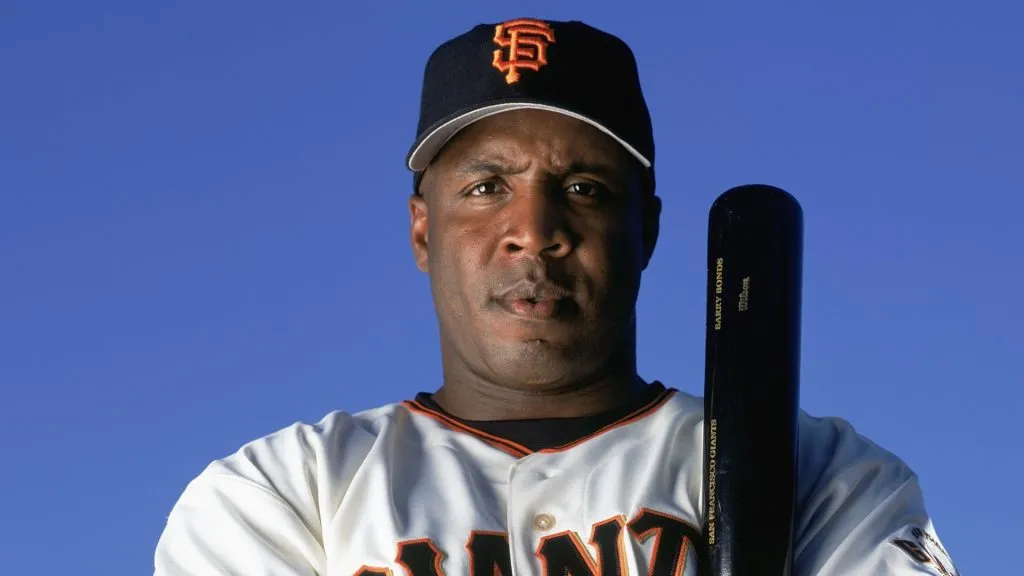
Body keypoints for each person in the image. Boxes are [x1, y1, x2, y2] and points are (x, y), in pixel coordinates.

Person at [153, 18, 959, 576]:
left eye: (582, 187)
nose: (532, 230)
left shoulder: (824, 476)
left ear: (645, 231)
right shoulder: (279, 492)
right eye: (485, 186)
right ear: (422, 232)